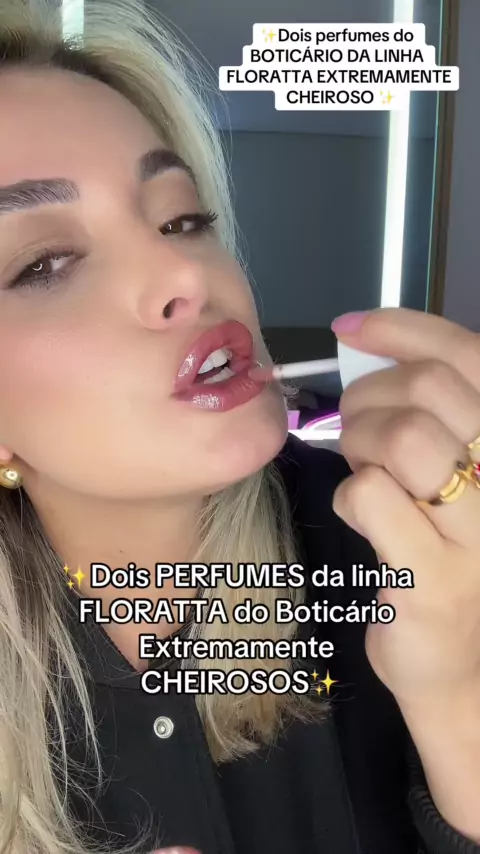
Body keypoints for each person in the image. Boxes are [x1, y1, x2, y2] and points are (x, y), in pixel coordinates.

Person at [0, 1, 478, 853]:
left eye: (181, 219)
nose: (185, 271)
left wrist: (460, 696)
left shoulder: (400, 541)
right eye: (44, 263)